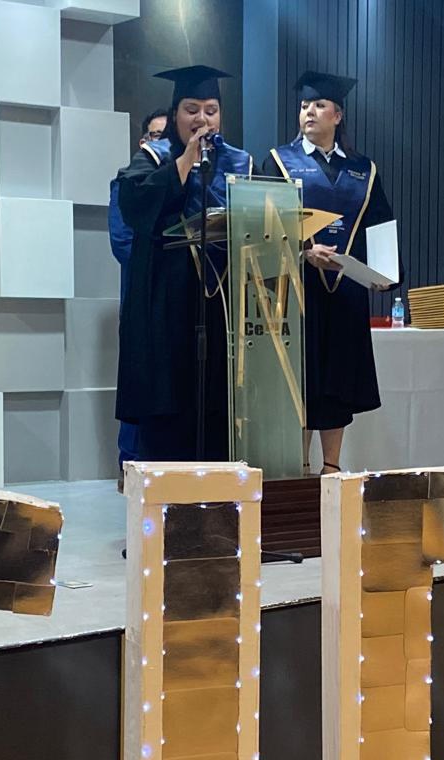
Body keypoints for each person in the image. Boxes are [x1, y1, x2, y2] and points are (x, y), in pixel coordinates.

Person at [115, 65, 253, 461]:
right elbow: (135, 205)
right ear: (175, 114)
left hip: (223, 304)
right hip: (167, 304)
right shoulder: (153, 157)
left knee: (217, 407)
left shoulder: (239, 163)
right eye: (191, 110)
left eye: (211, 110)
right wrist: (187, 159)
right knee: (169, 412)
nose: (201, 119)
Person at [263, 71, 395, 475]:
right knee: (302, 379)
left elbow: (379, 225)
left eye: (319, 105)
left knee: (337, 382)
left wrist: (386, 273)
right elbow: (264, 226)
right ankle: (300, 466)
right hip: (298, 288)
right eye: (304, 105)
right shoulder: (280, 162)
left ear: (337, 115)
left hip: (345, 288)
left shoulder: (362, 169)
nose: (309, 112)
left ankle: (331, 467)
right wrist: (303, 252)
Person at [109, 108, 169, 474]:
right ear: (143, 141)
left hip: (174, 302)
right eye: (156, 136)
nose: (162, 144)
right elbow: (123, 243)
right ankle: (130, 465)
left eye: (167, 137)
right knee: (139, 381)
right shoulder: (129, 182)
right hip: (141, 298)